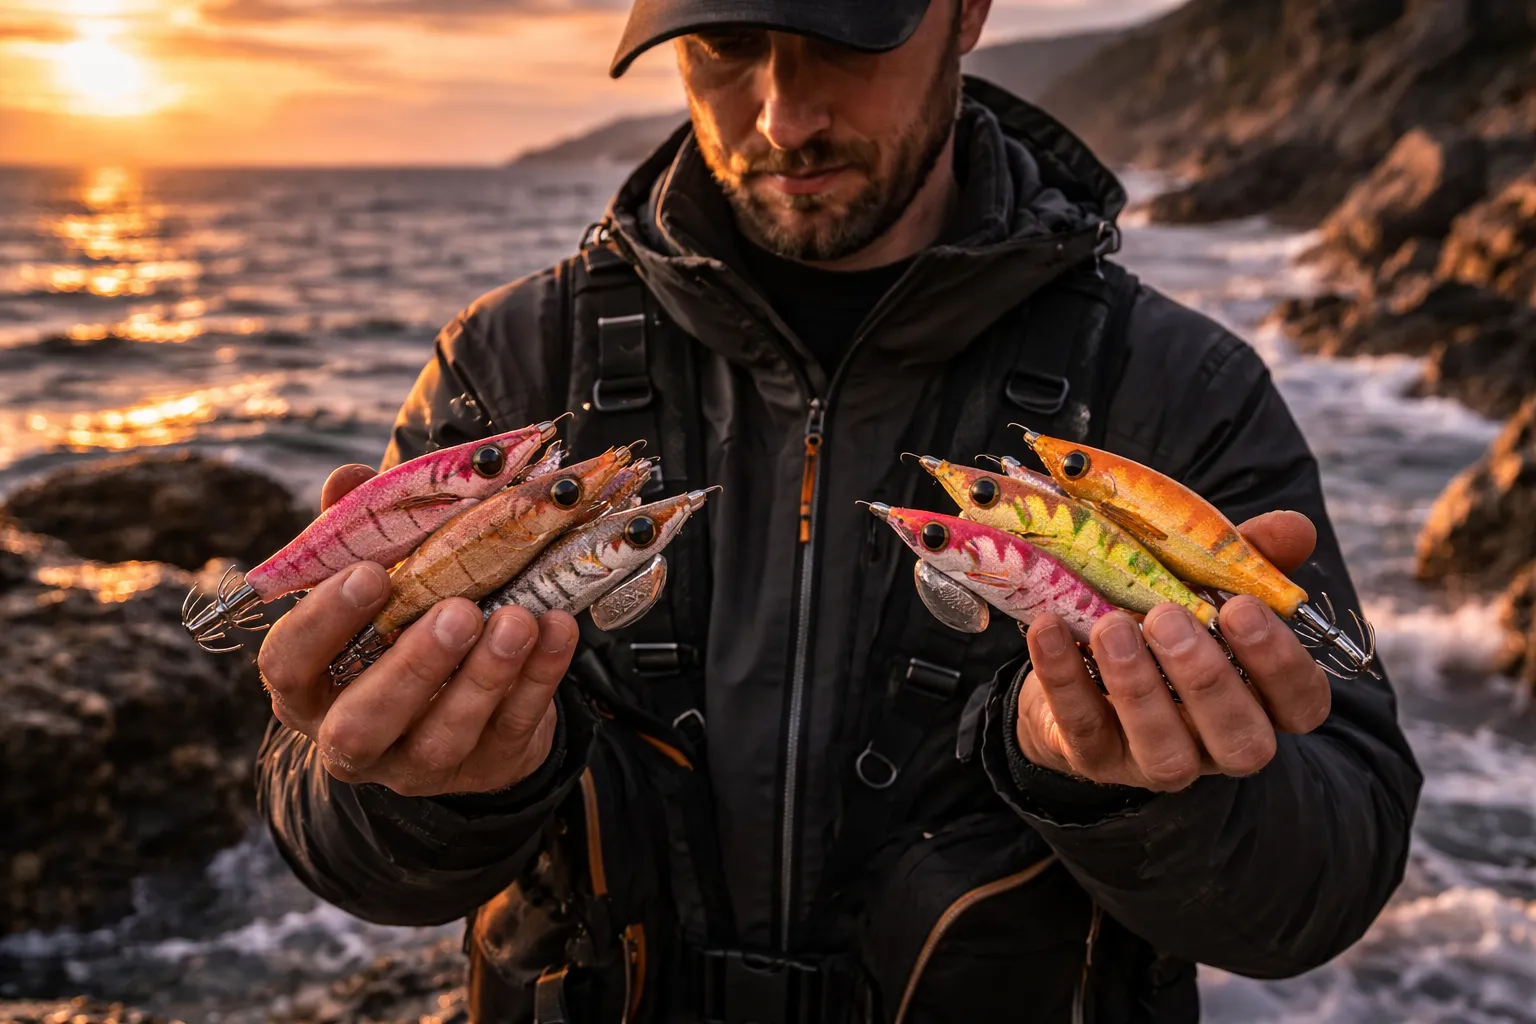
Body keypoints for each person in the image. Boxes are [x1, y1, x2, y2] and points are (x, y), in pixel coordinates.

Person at [254, 0, 1423, 1020]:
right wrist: (424, 786)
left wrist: (1127, 791)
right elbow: (337, 842)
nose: (782, 117)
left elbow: (1324, 884)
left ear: (968, 10)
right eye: (723, 41)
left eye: (846, 35)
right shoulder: (506, 365)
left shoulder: (1183, 390)